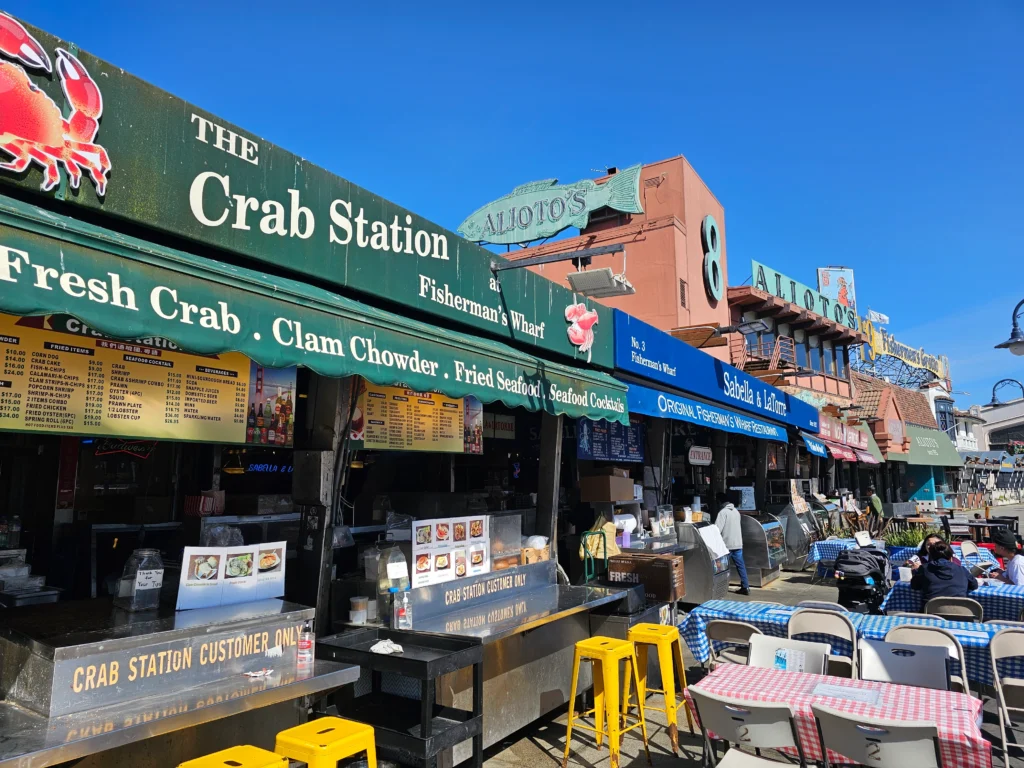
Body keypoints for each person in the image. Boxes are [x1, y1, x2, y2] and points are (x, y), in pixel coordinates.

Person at [910, 540, 978, 603]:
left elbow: (914, 586)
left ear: (931, 557)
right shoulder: (962, 570)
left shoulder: (924, 569)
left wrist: (916, 572)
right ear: (951, 557)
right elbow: (974, 585)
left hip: (931, 613)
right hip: (959, 613)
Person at [715, 492, 749, 596]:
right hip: (738, 543)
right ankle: (745, 586)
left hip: (726, 545)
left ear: (720, 501)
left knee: (721, 567)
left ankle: (719, 587)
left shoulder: (722, 513)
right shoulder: (736, 511)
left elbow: (717, 529)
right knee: (741, 566)